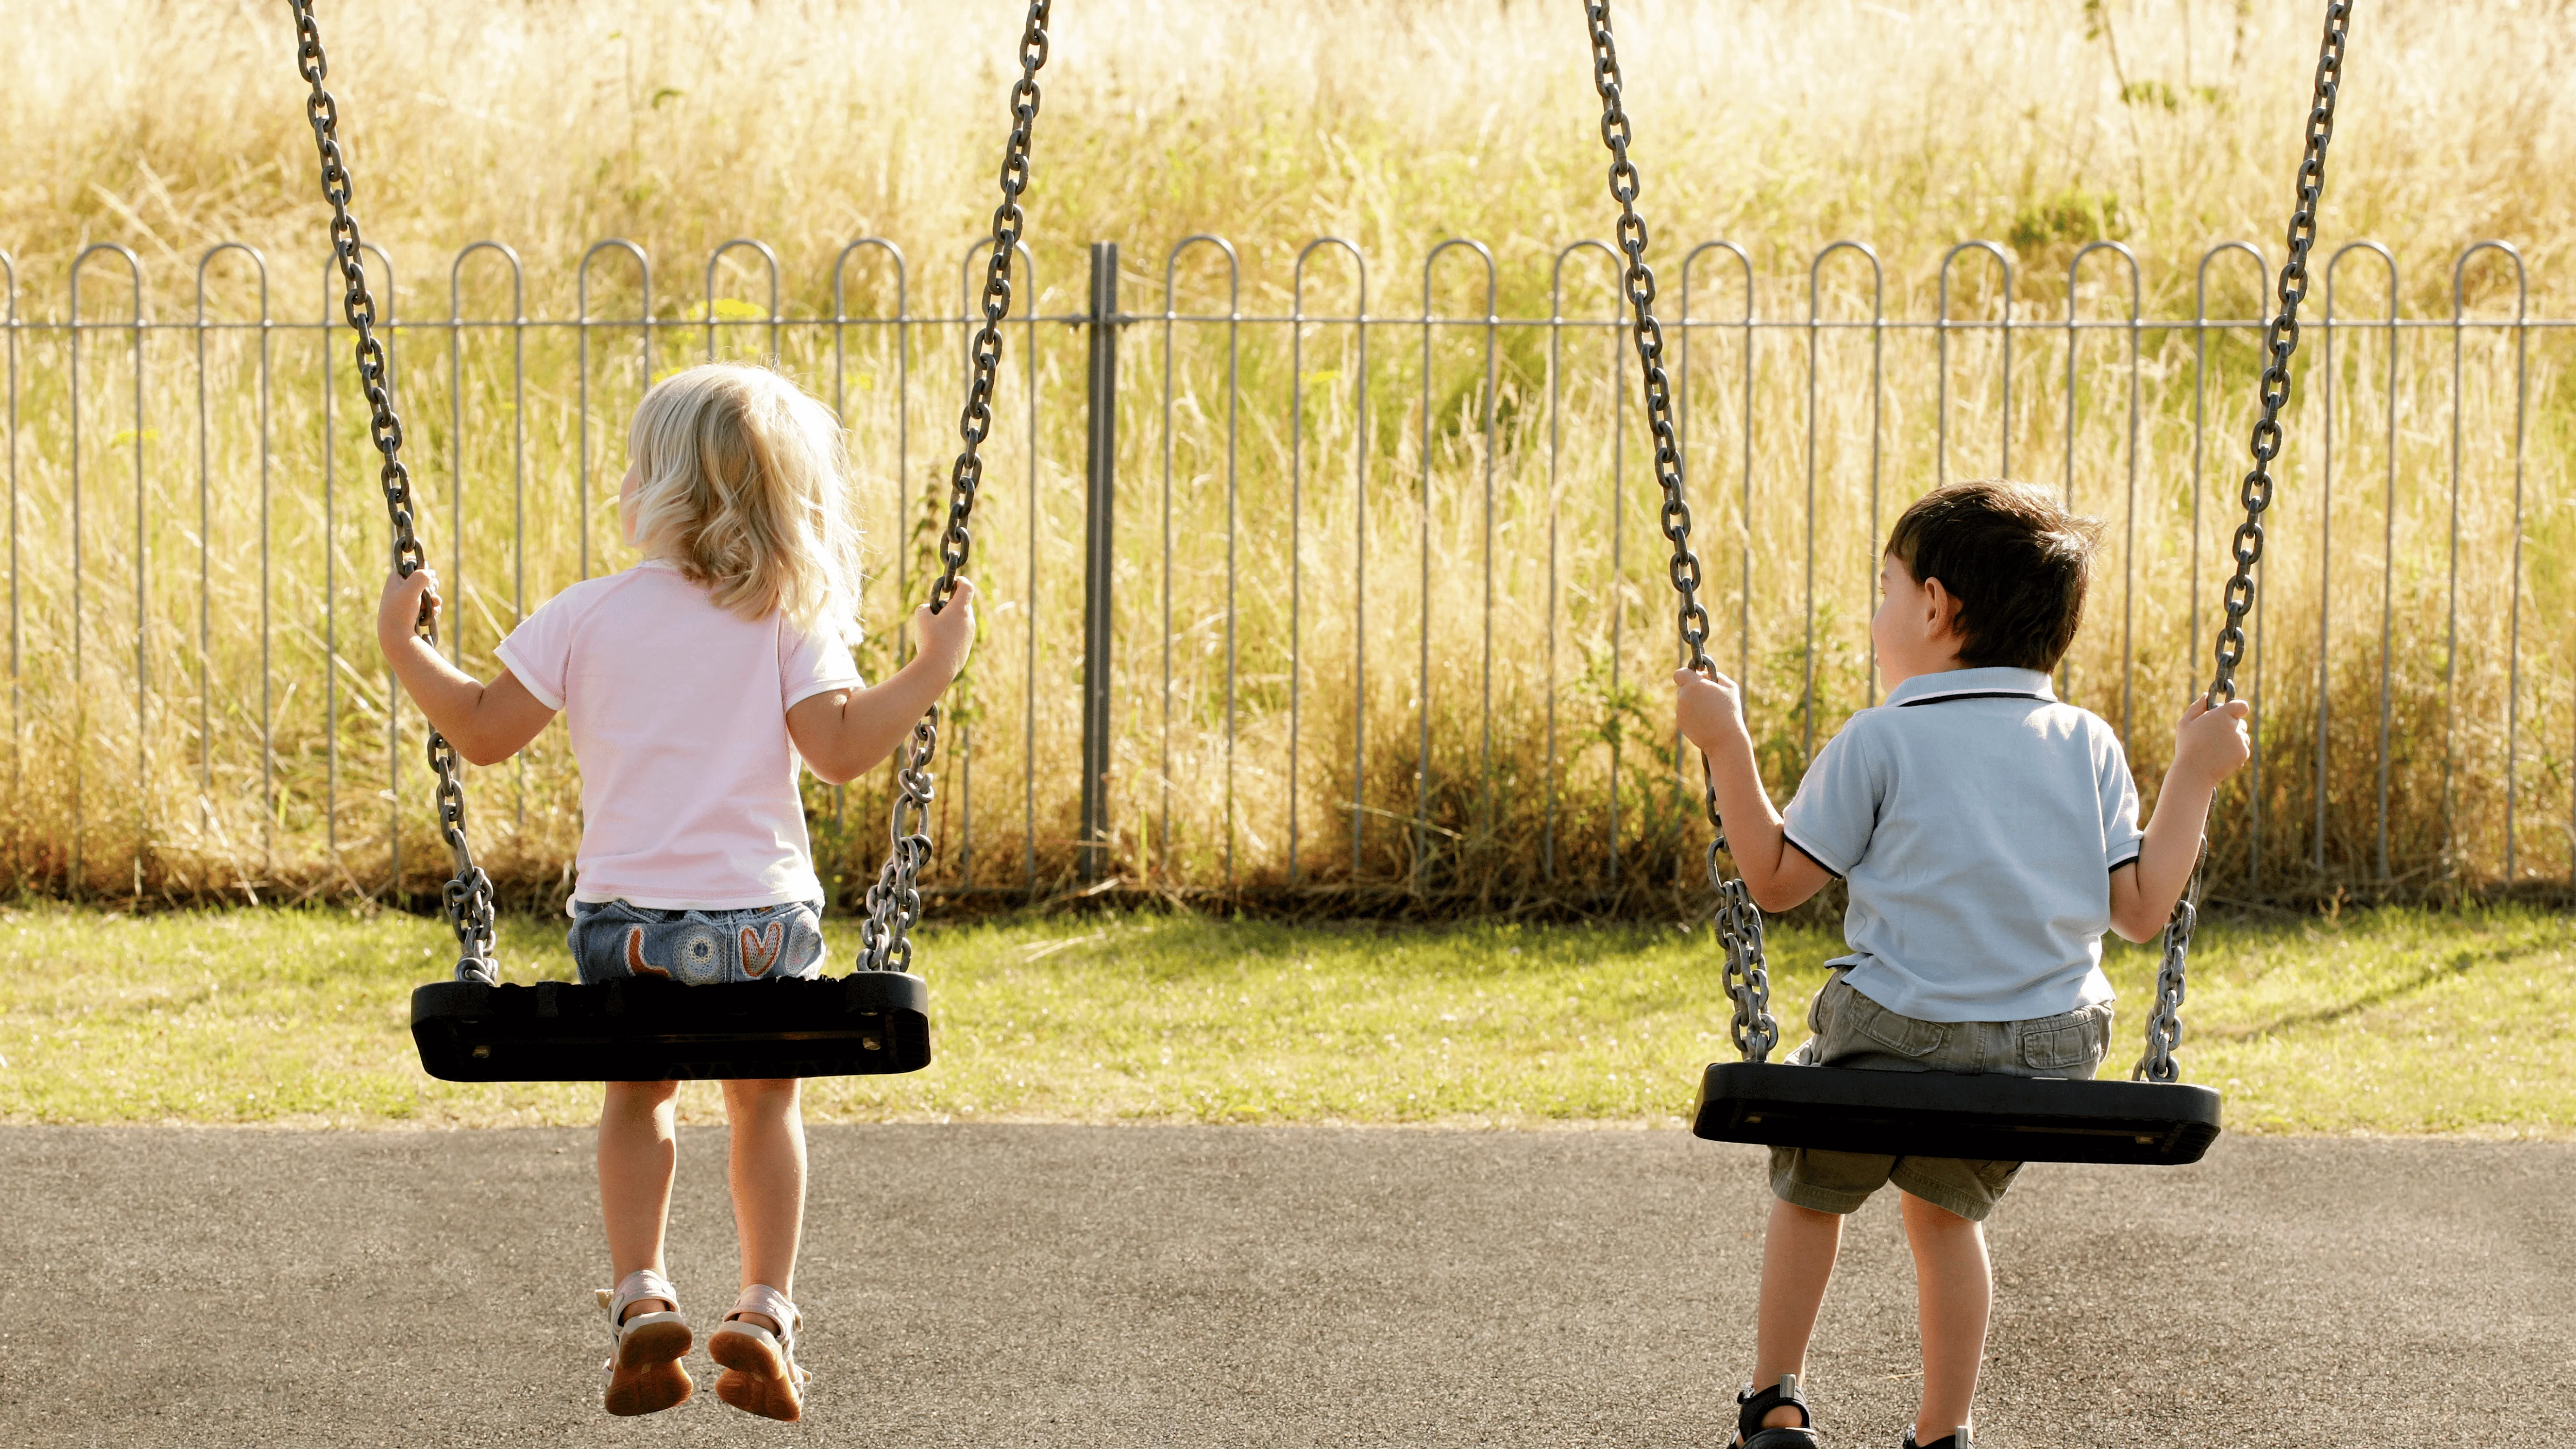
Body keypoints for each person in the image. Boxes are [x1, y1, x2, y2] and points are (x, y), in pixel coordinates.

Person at [377, 361, 976, 1421]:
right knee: (764, 1095)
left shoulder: (583, 615)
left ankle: (640, 1290)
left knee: (638, 1088)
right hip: (763, 934)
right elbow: (839, 753)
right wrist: (929, 669)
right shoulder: (785, 619)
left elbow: (478, 730)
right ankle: (764, 1307)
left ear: (648, 490)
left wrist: (404, 645)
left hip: (625, 937)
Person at [1672, 480, 2251, 1449]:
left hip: (1891, 1033)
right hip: (2044, 1052)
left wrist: (1725, 739)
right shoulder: (2089, 742)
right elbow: (2144, 912)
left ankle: (1774, 1403)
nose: (1877, 614)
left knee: (1812, 1191)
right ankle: (1944, 1431)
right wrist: (2194, 770)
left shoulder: (1883, 737)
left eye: (1886, 590)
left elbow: (1773, 881)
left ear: (1935, 606)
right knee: (1944, 1216)